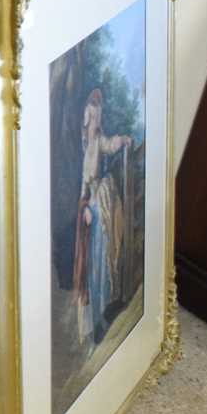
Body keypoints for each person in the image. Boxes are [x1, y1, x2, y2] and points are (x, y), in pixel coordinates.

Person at [72, 89, 133, 346]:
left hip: (100, 202)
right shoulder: (82, 145)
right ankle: (94, 321)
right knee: (92, 264)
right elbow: (82, 183)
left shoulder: (97, 139)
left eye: (95, 117)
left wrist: (123, 139)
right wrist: (84, 206)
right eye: (90, 117)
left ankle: (103, 314)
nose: (92, 122)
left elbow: (109, 144)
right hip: (90, 206)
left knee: (102, 259)